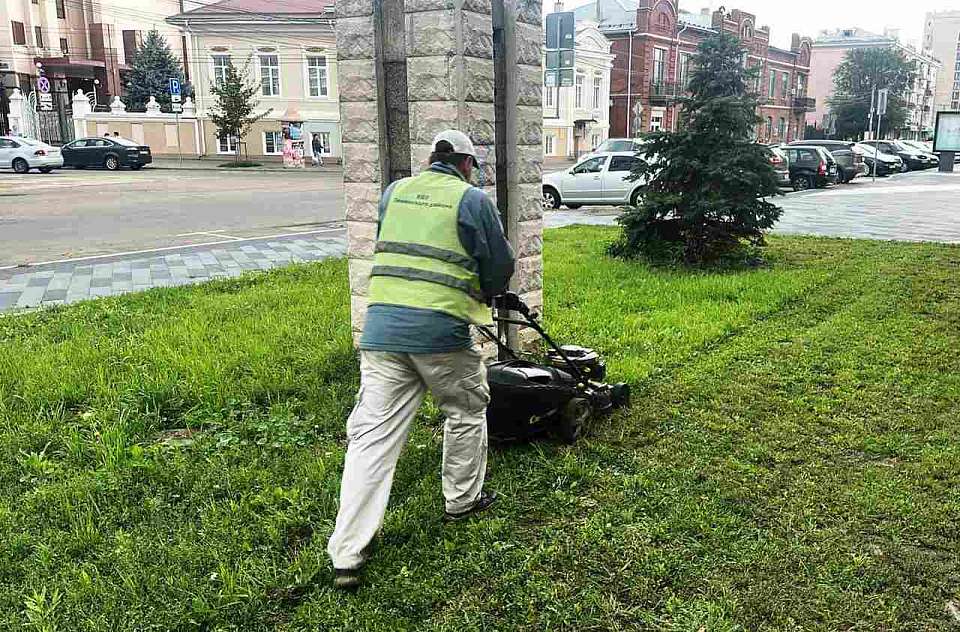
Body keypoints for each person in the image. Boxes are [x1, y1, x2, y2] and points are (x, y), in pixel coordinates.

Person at [327, 130, 515, 590]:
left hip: (382, 332)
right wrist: (487, 292)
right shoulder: (471, 200)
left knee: (372, 438)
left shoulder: (395, 192)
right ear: (468, 164)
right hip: (440, 334)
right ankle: (461, 501)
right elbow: (499, 265)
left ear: (432, 159)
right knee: (466, 409)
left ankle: (346, 554)